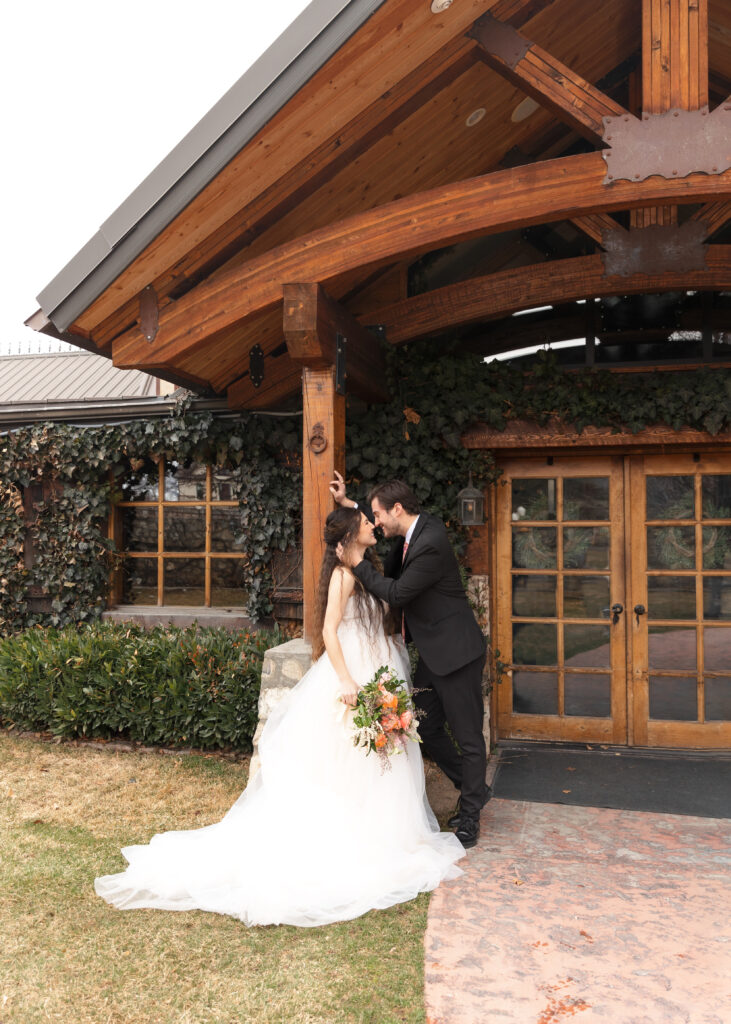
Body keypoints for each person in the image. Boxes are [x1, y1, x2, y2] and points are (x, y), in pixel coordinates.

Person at [95, 506, 465, 927]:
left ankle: (388, 831)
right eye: (364, 521)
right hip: (353, 674)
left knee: (381, 758)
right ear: (348, 537)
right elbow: (329, 632)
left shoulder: (366, 568)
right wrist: (347, 682)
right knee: (350, 758)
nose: (372, 524)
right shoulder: (344, 577)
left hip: (381, 665)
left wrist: (342, 500)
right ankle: (352, 835)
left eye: (369, 518)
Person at [329, 473, 490, 849]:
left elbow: (398, 592)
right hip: (436, 654)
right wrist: (350, 507)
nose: (376, 522)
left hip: (457, 654)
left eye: (377, 515)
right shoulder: (414, 530)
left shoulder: (430, 542)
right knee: (428, 728)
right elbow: (384, 545)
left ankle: (470, 818)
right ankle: (474, 789)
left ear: (397, 509)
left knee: (468, 738)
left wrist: (356, 563)